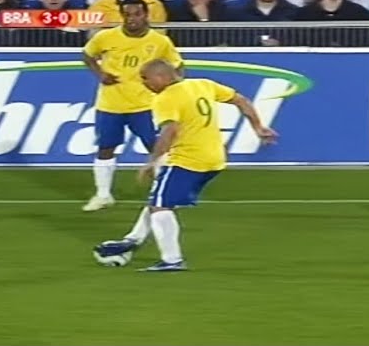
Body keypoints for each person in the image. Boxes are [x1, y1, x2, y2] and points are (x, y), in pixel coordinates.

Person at [95, 59, 278, 272]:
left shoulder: (166, 98)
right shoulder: (203, 84)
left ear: (161, 77)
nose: (144, 84)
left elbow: (170, 131)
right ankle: (133, 239)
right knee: (162, 199)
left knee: (160, 206)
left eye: (146, 79)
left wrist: (152, 160)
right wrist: (258, 127)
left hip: (187, 160)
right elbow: (241, 100)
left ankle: (172, 261)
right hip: (215, 160)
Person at [82, 0, 184, 212]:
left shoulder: (160, 42)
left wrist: (172, 91)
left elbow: (177, 66)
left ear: (146, 15)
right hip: (111, 104)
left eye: (136, 14)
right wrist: (100, 74)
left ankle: (165, 194)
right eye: (127, 14)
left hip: (146, 105)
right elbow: (87, 54)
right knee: (106, 148)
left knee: (157, 148)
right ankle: (103, 195)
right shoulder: (106, 37)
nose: (132, 19)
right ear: (122, 16)